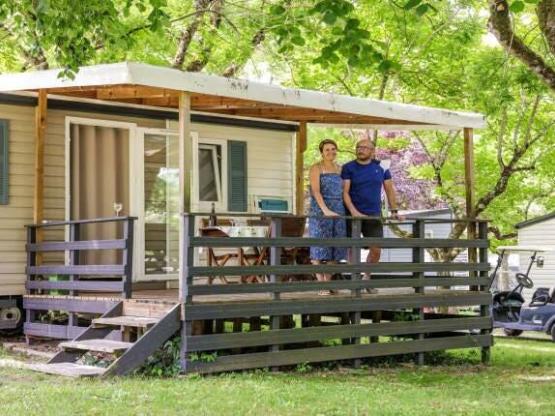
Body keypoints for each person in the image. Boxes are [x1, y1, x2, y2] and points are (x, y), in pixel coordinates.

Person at [342, 138, 401, 291]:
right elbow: (345, 192)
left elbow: (389, 189)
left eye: (364, 147)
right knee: (351, 248)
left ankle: (366, 278)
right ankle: (355, 281)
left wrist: (394, 211)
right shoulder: (348, 167)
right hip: (352, 214)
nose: (360, 149)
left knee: (376, 249)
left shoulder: (381, 167)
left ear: (372, 151)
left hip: (373, 214)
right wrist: (353, 211)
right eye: (358, 147)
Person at [308, 139, 347, 296]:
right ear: (322, 153)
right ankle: (321, 283)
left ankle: (328, 282)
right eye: (327, 150)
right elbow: (316, 191)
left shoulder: (340, 169)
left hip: (338, 210)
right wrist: (325, 210)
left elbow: (344, 191)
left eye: (333, 149)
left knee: (335, 247)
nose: (331, 152)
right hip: (320, 210)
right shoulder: (316, 168)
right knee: (319, 247)